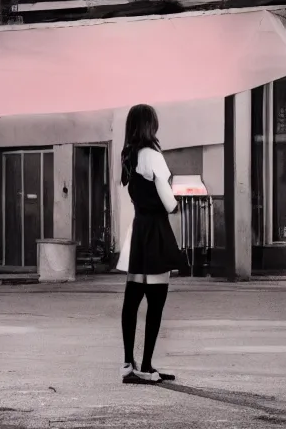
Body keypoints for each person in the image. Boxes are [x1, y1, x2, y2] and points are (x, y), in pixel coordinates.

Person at [117, 104, 182, 384]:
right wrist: (176, 203)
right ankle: (146, 366)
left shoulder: (129, 157)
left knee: (132, 299)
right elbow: (169, 203)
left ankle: (128, 365)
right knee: (156, 301)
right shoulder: (153, 156)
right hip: (155, 231)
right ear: (149, 125)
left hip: (138, 230)